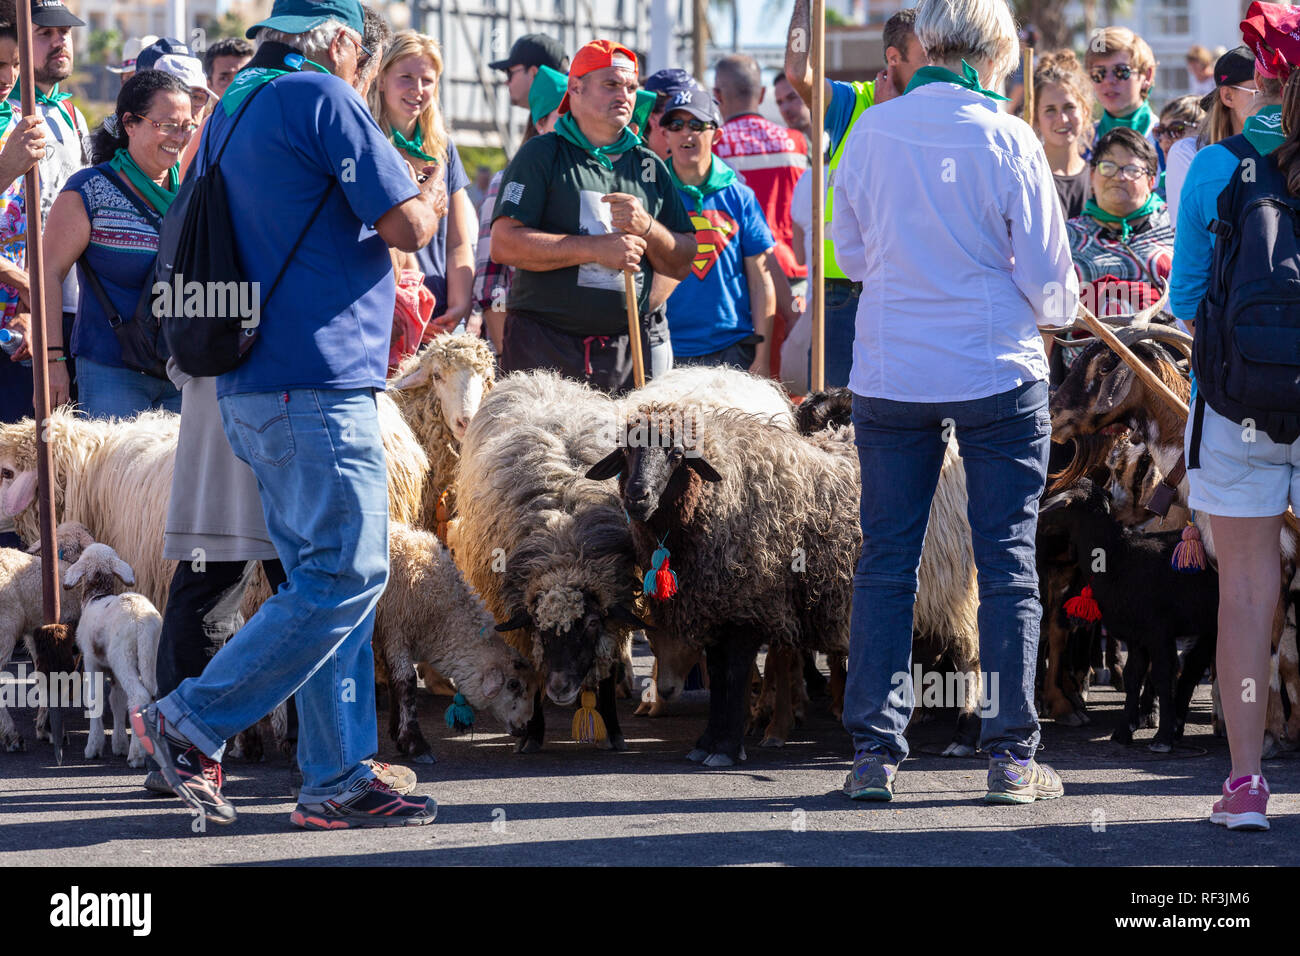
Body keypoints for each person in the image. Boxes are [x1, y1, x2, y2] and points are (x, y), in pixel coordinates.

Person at [131, 0, 446, 830]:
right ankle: (189, 718)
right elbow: (407, 224)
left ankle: (336, 775)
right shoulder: (321, 96)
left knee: (325, 584)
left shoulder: (232, 104)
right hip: (316, 383)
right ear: (341, 42)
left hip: (252, 384)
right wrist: (433, 186)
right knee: (349, 575)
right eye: (366, 62)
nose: (365, 77)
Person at [832, 0, 1076, 804]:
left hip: (894, 368)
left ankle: (873, 753)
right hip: (995, 369)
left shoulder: (871, 129)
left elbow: (852, 252)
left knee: (886, 560)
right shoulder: (1008, 137)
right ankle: (1010, 756)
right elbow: (1050, 287)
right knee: (1005, 561)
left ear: (930, 47)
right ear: (990, 58)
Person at [1169, 1, 1296, 831]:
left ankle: (1246, 786)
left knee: (1247, 597)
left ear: (1258, 80)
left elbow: (1183, 298)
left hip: (1241, 406)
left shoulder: (1216, 169)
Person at [490, 39, 694, 394]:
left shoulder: (649, 165)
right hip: (543, 351)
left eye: (631, 87)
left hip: (624, 353)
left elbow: (682, 260)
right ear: (576, 88)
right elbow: (504, 244)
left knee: (622, 450)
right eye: (611, 84)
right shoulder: (541, 154)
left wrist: (647, 227)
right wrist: (596, 249)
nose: (625, 95)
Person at [783, 3, 925, 388]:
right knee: (834, 421)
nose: (937, 67)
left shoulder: (941, 108)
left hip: (914, 285)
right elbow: (798, 72)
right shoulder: (852, 102)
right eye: (926, 56)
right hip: (844, 291)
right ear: (893, 59)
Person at [39, 71, 191, 417]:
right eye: (166, 125)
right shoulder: (89, 190)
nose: (179, 137)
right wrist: (53, 361)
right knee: (115, 472)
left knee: (178, 473)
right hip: (112, 372)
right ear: (130, 124)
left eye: (187, 127)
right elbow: (48, 273)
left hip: (185, 373)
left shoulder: (193, 193)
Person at [661, 81, 776, 373]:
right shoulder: (652, 193)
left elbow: (762, 281)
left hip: (731, 351)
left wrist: (762, 357)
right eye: (676, 124)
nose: (686, 132)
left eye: (697, 124)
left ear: (717, 134)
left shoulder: (740, 195)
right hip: (665, 349)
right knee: (669, 423)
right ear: (664, 134)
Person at [370, 30, 475, 337]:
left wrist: (458, 306)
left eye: (427, 80)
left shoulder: (443, 148)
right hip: (388, 313)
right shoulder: (367, 143)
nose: (417, 89)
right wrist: (409, 308)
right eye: (406, 77)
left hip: (440, 316)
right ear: (381, 79)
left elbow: (457, 241)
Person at [12, 0, 88, 405]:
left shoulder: (72, 114)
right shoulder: (8, 112)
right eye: (45, 33)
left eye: (65, 33)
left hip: (74, 306)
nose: (60, 42)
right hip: (19, 307)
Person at [1059, 128, 1172, 376]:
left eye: (1131, 170)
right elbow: (1047, 316)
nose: (1118, 176)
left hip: (1162, 378)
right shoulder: (1065, 236)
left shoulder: (1175, 227)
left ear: (1152, 181)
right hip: (1082, 383)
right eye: (1107, 166)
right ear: (1091, 175)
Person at [473, 63, 566, 353]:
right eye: (562, 117)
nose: (574, 125)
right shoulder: (506, 182)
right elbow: (491, 284)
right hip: (521, 346)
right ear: (540, 124)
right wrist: (507, 353)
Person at [0, 8, 46, 427]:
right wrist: (6, 167)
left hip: (13, 331)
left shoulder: (23, 126)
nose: (8, 77)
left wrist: (31, 309)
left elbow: (37, 221)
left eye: (15, 64)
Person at [1167, 46, 1256, 227]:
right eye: (1259, 93)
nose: (1273, 103)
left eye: (1278, 92)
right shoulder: (1188, 153)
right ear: (1228, 96)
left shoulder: (1282, 151)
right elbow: (1188, 240)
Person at [1086, 26, 1162, 167]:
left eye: (1120, 71)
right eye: (1099, 72)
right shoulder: (1080, 144)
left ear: (1147, 75)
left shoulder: (1167, 141)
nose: (1109, 80)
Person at [1031, 50, 1094, 220]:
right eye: (1050, 110)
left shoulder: (1099, 179)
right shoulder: (1027, 180)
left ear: (1085, 112)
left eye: (1069, 107)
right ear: (1036, 117)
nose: (1062, 119)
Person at [490, 32, 568, 109]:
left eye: (509, 74)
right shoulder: (564, 116)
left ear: (534, 74)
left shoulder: (555, 119)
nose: (506, 82)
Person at [1153, 94, 1204, 203]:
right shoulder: (1156, 192)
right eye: (1160, 131)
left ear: (1203, 130)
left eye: (1176, 129)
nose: (1164, 138)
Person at [772, 70, 811, 139]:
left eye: (792, 98)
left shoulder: (832, 140)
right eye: (780, 102)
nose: (785, 109)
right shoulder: (780, 145)